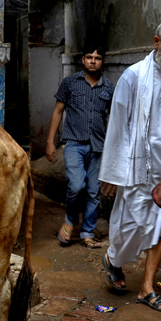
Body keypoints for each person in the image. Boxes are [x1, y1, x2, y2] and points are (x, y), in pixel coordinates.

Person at [98, 22, 161, 311]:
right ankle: (113, 259)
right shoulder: (133, 76)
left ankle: (146, 288)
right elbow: (118, 126)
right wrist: (112, 172)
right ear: (156, 42)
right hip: (137, 169)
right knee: (131, 227)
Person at [46, 43, 114, 248]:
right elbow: (58, 111)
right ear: (83, 60)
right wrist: (50, 142)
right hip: (74, 143)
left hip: (99, 147)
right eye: (89, 57)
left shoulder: (109, 88)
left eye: (97, 58)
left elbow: (114, 118)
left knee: (94, 191)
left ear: (102, 62)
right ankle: (70, 220)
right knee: (77, 186)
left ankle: (87, 232)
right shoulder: (70, 83)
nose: (93, 61)